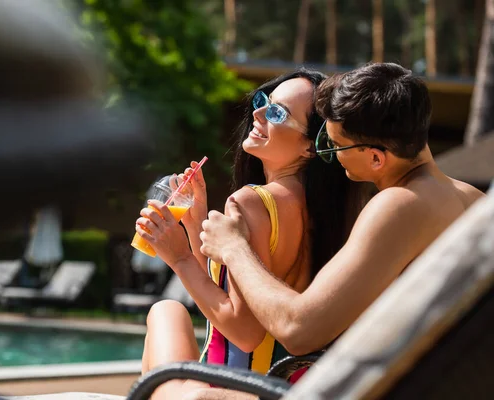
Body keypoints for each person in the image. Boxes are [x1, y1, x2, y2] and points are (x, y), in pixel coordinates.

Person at [195, 62, 484, 386]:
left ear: (376, 158)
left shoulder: (399, 205)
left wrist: (235, 248)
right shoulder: (472, 198)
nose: (330, 156)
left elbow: (298, 330)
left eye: (335, 146)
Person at [134, 69, 368, 399]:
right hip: (289, 388)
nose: (258, 113)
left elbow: (244, 332)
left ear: (308, 148)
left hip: (238, 390)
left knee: (163, 315)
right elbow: (233, 299)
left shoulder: (251, 202)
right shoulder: (326, 213)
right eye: (263, 102)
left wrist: (180, 257)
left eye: (277, 112)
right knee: (168, 310)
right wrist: (195, 219)